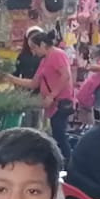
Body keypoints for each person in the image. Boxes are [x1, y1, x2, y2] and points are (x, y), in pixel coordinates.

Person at [24, 29, 74, 161]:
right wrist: (10, 78)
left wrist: (52, 95)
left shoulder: (57, 54)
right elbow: (34, 83)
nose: (33, 52)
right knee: (57, 135)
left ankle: (68, 164)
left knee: (60, 136)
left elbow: (66, 76)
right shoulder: (44, 60)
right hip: (53, 104)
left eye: (34, 48)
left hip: (60, 103)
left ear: (42, 44)